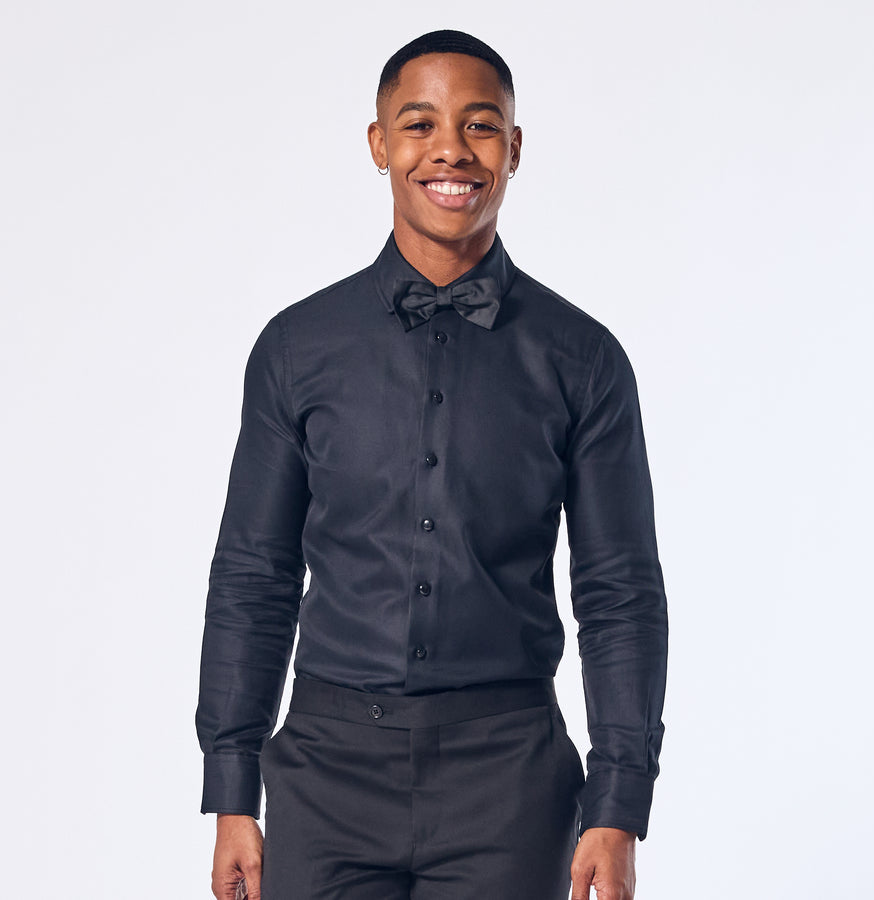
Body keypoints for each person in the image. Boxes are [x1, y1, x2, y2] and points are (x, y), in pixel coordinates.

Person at [195, 29, 668, 900]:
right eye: (420, 125)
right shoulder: (297, 348)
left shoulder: (584, 359)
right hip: (326, 775)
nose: (450, 149)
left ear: (514, 149)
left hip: (510, 781)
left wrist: (618, 801)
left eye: (480, 126)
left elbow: (620, 592)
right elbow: (254, 577)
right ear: (380, 144)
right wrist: (231, 787)